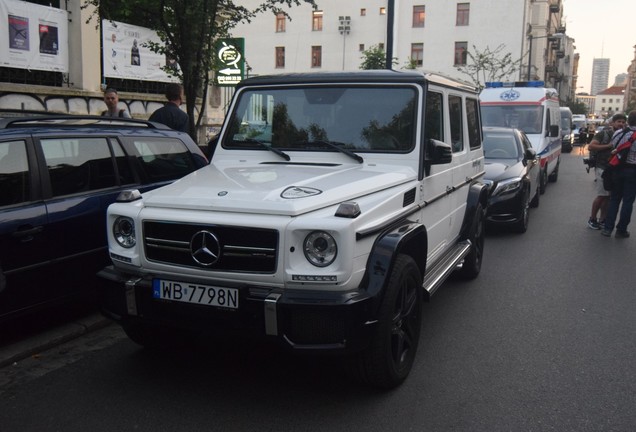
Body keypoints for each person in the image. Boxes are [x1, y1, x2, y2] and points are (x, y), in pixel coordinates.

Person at [586, 114, 626, 229]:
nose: (621, 124)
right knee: (602, 195)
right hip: (602, 167)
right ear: (612, 123)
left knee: (608, 196)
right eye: (619, 121)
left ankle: (602, 219)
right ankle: (592, 219)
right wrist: (609, 146)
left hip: (614, 170)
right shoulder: (603, 134)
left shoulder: (624, 135)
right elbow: (591, 146)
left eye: (623, 122)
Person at [601, 110, 636, 238]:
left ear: (628, 121)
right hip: (632, 171)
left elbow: (614, 148)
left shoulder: (618, 133)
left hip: (617, 169)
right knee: (628, 201)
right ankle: (621, 230)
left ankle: (607, 229)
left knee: (614, 199)